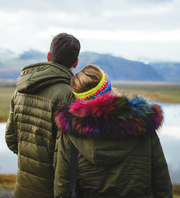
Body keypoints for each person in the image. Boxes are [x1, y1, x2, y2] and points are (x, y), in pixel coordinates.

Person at [54, 64, 173, 198]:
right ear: (109, 88)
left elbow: (62, 181)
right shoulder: (142, 121)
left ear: (79, 100)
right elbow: (160, 176)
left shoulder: (71, 129)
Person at [5, 33, 81, 198]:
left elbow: (11, 139)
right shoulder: (69, 95)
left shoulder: (20, 87)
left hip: (23, 186)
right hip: (51, 188)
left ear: (48, 56)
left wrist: (31, 158)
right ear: (76, 62)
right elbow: (67, 152)